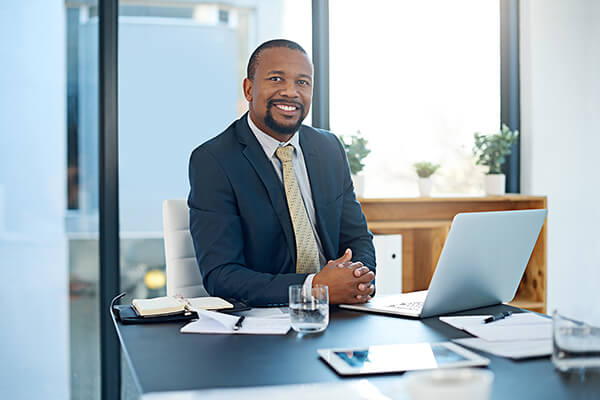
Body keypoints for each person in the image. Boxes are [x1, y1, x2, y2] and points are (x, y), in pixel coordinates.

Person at [188, 39, 376, 306]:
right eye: (276, 79)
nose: (291, 92)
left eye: (303, 82)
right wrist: (314, 288)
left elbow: (357, 237)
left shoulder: (329, 148)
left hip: (341, 313)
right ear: (249, 89)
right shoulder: (213, 161)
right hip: (267, 323)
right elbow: (221, 275)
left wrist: (359, 277)